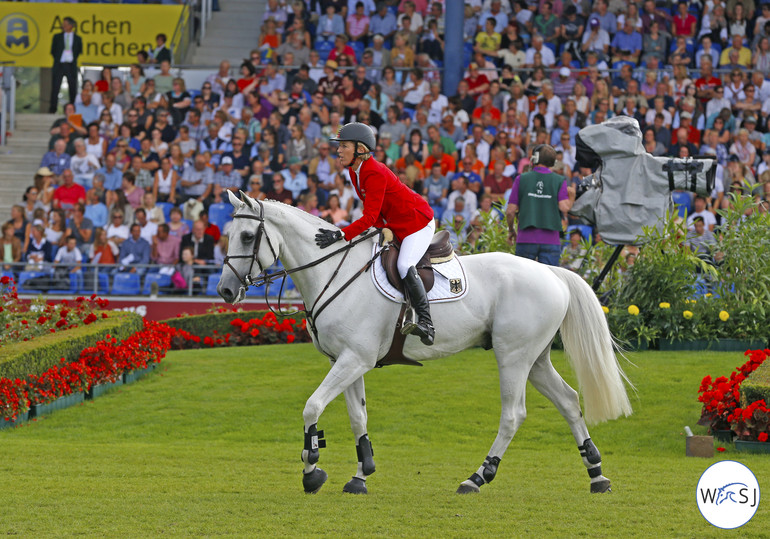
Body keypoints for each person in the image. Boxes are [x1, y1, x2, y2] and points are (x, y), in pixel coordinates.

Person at [316, 122, 435, 346]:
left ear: (360, 149)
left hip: (418, 222)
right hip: (396, 224)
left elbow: (369, 217)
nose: (338, 150)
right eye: (339, 146)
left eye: (344, 146)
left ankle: (427, 324)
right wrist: (379, 231)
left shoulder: (375, 172)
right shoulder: (354, 171)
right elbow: (375, 213)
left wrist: (341, 235)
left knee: (403, 265)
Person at [506, 144, 576, 266]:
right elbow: (564, 207)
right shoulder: (559, 180)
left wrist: (511, 230)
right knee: (549, 282)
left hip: (526, 238)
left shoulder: (521, 179)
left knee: (524, 280)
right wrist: (572, 196)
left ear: (535, 158)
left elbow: (510, 211)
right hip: (551, 240)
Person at [49, 16, 83, 113]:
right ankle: (53, 109)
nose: (63, 26)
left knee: (72, 87)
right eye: (63, 24)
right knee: (55, 87)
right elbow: (53, 51)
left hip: (70, 65)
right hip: (60, 64)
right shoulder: (57, 37)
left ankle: (73, 108)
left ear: (71, 26)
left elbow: (78, 51)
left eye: (66, 24)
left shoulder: (77, 38)